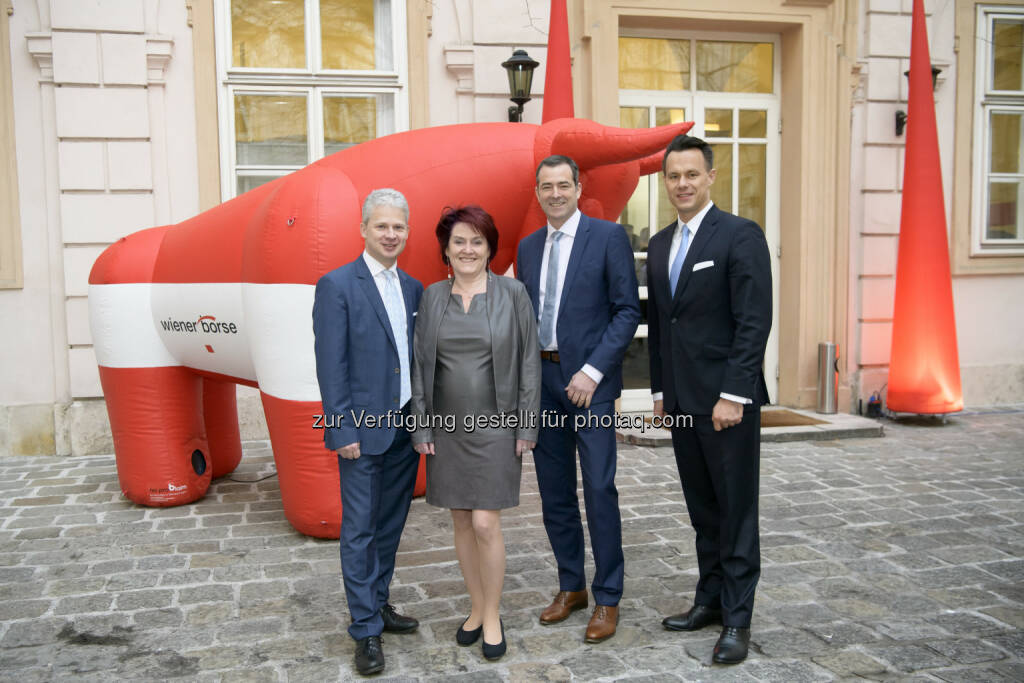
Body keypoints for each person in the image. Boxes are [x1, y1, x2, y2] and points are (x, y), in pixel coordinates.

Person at [647, 135, 772, 664]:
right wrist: (659, 390)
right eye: (674, 176)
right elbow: (660, 325)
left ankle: (738, 620)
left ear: (710, 177)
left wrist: (734, 394)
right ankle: (711, 601)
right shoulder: (658, 244)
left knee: (736, 511)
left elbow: (753, 321)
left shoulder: (740, 236)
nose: (682, 184)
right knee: (702, 511)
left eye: (691, 175)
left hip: (726, 404)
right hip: (681, 402)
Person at [516, 155, 641, 643]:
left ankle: (607, 596)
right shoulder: (528, 248)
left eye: (563, 185)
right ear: (538, 191)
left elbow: (627, 311)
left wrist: (592, 371)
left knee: (599, 489)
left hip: (590, 387)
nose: (555, 193)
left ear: (577, 187)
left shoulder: (608, 237)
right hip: (543, 384)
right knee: (554, 493)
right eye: (546, 186)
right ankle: (572, 587)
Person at [410, 205, 540, 662]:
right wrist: (421, 424)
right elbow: (420, 366)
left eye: (477, 241)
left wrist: (527, 424)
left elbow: (528, 361)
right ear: (446, 249)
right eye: (459, 241)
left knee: (486, 521)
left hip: (497, 425)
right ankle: (475, 606)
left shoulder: (513, 293)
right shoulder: (431, 298)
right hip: (447, 429)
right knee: (461, 520)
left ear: (489, 248)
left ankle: (492, 615)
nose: (468, 249)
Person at [312, 188, 424, 676]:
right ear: (363, 229)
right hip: (361, 430)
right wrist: (342, 428)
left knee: (391, 524)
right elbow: (330, 365)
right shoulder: (337, 285)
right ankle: (364, 630)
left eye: (398, 226)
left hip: (403, 429)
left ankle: (377, 604)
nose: (391, 234)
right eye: (382, 226)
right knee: (359, 530)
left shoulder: (415, 287)